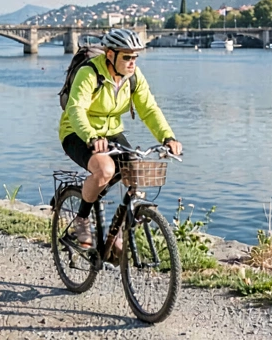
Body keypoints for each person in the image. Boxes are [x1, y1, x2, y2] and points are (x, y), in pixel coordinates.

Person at [58, 28, 182, 248]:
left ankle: (117, 232)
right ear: (110, 55)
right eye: (126, 57)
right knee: (105, 170)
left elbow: (149, 110)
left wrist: (168, 137)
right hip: (78, 132)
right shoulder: (89, 73)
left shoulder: (133, 77)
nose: (132, 62)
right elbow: (76, 109)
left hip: (112, 131)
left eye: (135, 57)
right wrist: (91, 136)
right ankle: (82, 219)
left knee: (136, 171)